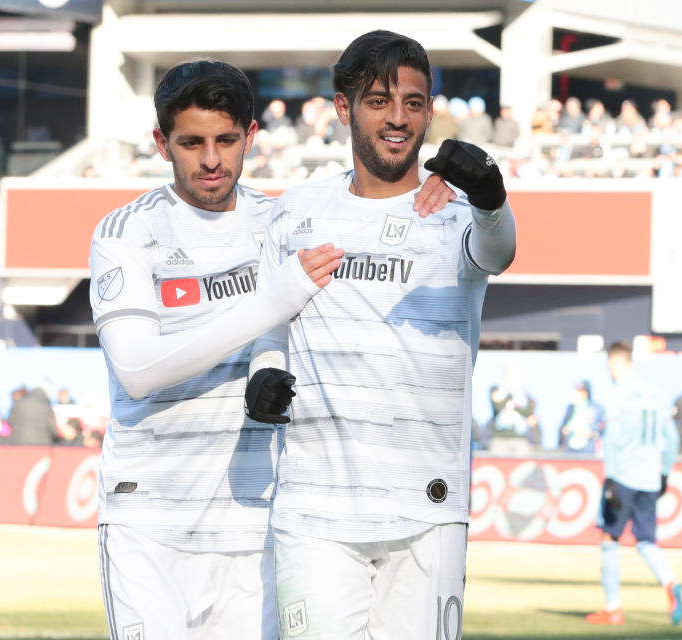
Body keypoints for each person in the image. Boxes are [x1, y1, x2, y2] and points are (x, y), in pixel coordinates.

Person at [88, 58, 455, 640]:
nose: (211, 159)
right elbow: (136, 370)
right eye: (191, 142)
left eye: (227, 140)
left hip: (259, 522)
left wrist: (434, 187)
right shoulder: (125, 233)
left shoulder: (285, 219)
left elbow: (378, 205)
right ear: (162, 143)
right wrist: (271, 300)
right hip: (150, 516)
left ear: (251, 136)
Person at [251, 30, 516, 640]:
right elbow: (269, 323)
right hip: (315, 509)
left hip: (426, 507)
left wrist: (492, 196)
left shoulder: (456, 213)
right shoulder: (295, 211)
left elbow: (499, 252)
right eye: (378, 101)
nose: (398, 119)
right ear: (344, 109)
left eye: (414, 103)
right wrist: (262, 373)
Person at [586, 341, 682, 627]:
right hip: (651, 477)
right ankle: (670, 583)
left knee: (609, 538)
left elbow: (613, 440)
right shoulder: (655, 394)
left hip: (624, 475)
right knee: (645, 540)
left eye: (609, 367)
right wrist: (665, 472)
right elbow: (674, 440)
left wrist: (612, 479)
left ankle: (613, 608)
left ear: (616, 364)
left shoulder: (616, 397)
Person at [487, 364, 541, 454]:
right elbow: (498, 407)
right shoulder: (496, 390)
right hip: (500, 439)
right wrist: (511, 398)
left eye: (516, 376)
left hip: (521, 439)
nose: (513, 379)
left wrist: (511, 405)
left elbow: (528, 411)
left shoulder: (525, 395)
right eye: (510, 375)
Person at [559, 380, 603, 454]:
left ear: (585, 393)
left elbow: (600, 430)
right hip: (570, 449)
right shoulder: (571, 408)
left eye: (579, 391)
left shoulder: (596, 409)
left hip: (587, 450)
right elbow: (563, 427)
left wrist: (589, 433)